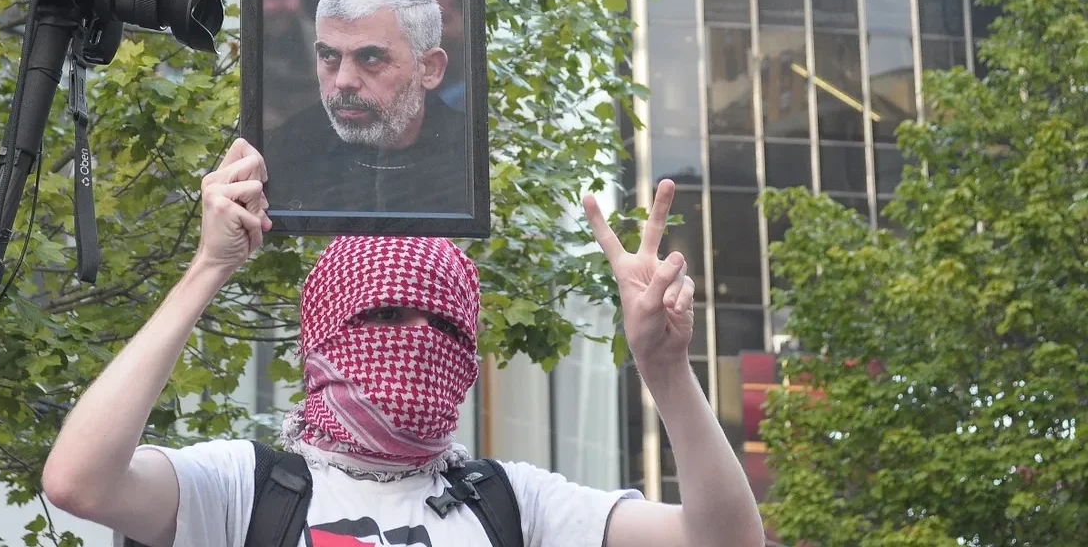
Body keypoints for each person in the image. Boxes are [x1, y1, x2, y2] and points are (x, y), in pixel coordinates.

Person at [42, 138, 767, 547]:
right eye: (386, 317)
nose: (419, 340)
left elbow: (725, 543)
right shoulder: (243, 489)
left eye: (446, 326)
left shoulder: (513, 505)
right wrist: (210, 268)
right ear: (323, 335)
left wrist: (666, 370)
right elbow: (80, 480)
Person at [262, 0, 470, 215]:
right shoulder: (284, 154)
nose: (343, 81)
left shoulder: (469, 160)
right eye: (329, 55)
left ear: (429, 68)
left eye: (370, 57)